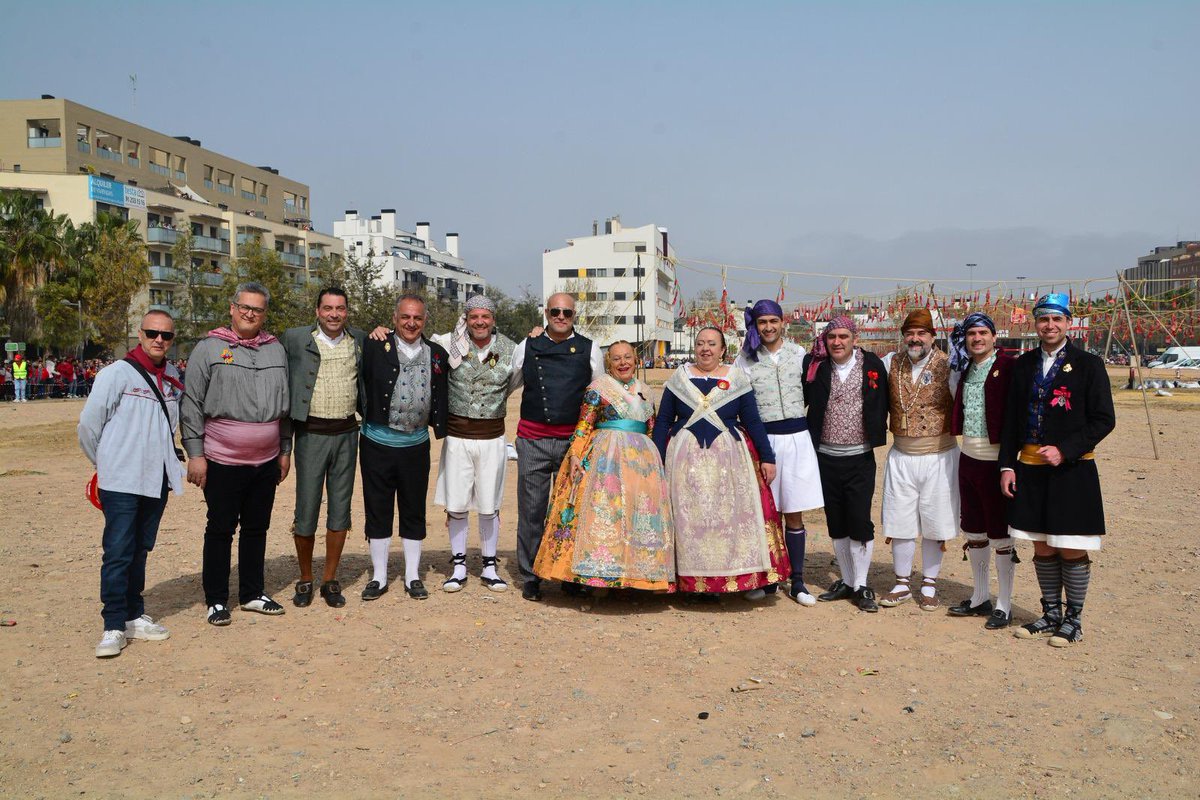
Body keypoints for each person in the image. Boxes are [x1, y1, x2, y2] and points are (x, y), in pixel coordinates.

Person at [1000, 293, 1115, 646]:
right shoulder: (1023, 365)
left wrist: (1065, 450)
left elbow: (1103, 419)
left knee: (1070, 545)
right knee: (1042, 545)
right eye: (1044, 319)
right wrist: (1007, 465)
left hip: (1072, 470)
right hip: (1030, 468)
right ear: (1035, 323)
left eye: (1057, 319)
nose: (1050, 326)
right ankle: (1050, 613)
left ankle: (1073, 619)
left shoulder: (1088, 365)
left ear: (1068, 323)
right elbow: (1011, 422)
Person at [182, 282, 292, 626]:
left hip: (266, 459)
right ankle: (216, 599)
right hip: (222, 459)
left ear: (264, 314)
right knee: (221, 528)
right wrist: (195, 453)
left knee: (257, 527)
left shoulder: (276, 350)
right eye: (244, 307)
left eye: (257, 309)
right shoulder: (210, 347)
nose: (250, 314)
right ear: (232, 308)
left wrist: (285, 449)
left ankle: (252, 593)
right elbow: (192, 403)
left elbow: (285, 407)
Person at [653, 326, 788, 598]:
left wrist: (767, 457)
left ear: (722, 349)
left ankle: (741, 578)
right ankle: (692, 583)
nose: (706, 349)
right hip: (685, 462)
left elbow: (752, 421)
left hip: (730, 461)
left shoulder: (736, 379)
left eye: (712, 344)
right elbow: (664, 421)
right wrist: (656, 458)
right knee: (689, 520)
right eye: (701, 343)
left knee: (731, 520)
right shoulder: (680, 378)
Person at [79, 311, 184, 657]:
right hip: (122, 480)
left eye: (166, 335)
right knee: (118, 552)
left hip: (157, 480)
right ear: (139, 334)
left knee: (141, 548)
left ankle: (134, 614)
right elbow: (89, 427)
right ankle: (112, 624)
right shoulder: (116, 374)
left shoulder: (171, 376)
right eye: (152, 332)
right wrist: (107, 464)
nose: (159, 340)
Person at [534, 341, 674, 591]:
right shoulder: (598, 389)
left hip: (641, 463)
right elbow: (585, 424)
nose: (623, 363)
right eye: (617, 359)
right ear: (609, 363)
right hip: (606, 458)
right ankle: (596, 575)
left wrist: (656, 460)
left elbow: (651, 428)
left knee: (636, 514)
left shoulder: (646, 391)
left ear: (636, 360)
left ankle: (637, 576)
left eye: (628, 357)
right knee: (606, 512)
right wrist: (576, 454)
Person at [511, 292, 604, 601]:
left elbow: (600, 394)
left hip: (573, 445)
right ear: (546, 312)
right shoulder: (527, 346)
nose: (561, 316)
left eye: (567, 312)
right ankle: (531, 575)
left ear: (574, 314)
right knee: (532, 511)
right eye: (555, 311)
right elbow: (507, 383)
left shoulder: (591, 351)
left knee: (572, 511)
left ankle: (570, 574)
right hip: (533, 440)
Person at [358, 294, 449, 601]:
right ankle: (379, 576)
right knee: (378, 508)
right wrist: (373, 330)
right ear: (395, 319)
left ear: (425, 321)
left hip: (415, 445)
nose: (411, 323)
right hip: (377, 443)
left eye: (418, 318)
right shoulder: (373, 345)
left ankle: (412, 576)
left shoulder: (436, 353)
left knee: (413, 509)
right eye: (405, 317)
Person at [280, 287, 366, 609]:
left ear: (347, 311)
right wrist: (284, 444)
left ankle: (330, 578)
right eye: (328, 308)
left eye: (340, 308)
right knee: (306, 508)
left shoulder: (359, 340)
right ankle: (305, 578)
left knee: (340, 509)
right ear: (317, 310)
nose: (334, 314)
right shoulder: (293, 338)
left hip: (347, 433)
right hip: (310, 435)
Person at [735, 300, 825, 605]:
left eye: (773, 321)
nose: (769, 327)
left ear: (782, 322)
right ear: (755, 325)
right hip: (765, 440)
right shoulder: (745, 359)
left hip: (798, 437)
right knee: (767, 512)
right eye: (763, 322)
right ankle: (770, 577)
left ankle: (797, 580)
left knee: (794, 512)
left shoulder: (799, 355)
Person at [429, 294, 517, 593]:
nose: (480, 322)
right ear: (466, 318)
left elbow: (514, 382)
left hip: (492, 437)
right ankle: (458, 565)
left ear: (493, 319)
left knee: (490, 505)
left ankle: (490, 566)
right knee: (457, 504)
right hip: (457, 437)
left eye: (485, 317)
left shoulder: (511, 349)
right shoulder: (446, 343)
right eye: (474, 316)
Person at [802, 316, 889, 612]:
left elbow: (887, 400)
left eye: (843, 336)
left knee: (859, 520)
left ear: (854, 337)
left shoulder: (873, 365)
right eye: (831, 337)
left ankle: (862, 585)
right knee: (836, 521)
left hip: (860, 457)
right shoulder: (815, 367)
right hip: (825, 457)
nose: (837, 342)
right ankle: (848, 582)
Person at [879, 309, 961, 611]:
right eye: (910, 333)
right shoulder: (890, 362)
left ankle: (929, 583)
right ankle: (901, 583)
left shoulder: (951, 365)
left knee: (934, 521)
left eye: (921, 333)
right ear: (903, 336)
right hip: (901, 455)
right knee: (900, 519)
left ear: (932, 336)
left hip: (939, 455)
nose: (915, 339)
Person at [947, 312, 1017, 629]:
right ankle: (979, 597)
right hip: (969, 457)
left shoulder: (1009, 367)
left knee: (1000, 532)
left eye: (982, 333)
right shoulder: (966, 369)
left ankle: (1004, 603)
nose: (977, 338)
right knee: (974, 530)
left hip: (996, 461)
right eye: (972, 333)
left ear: (993, 336)